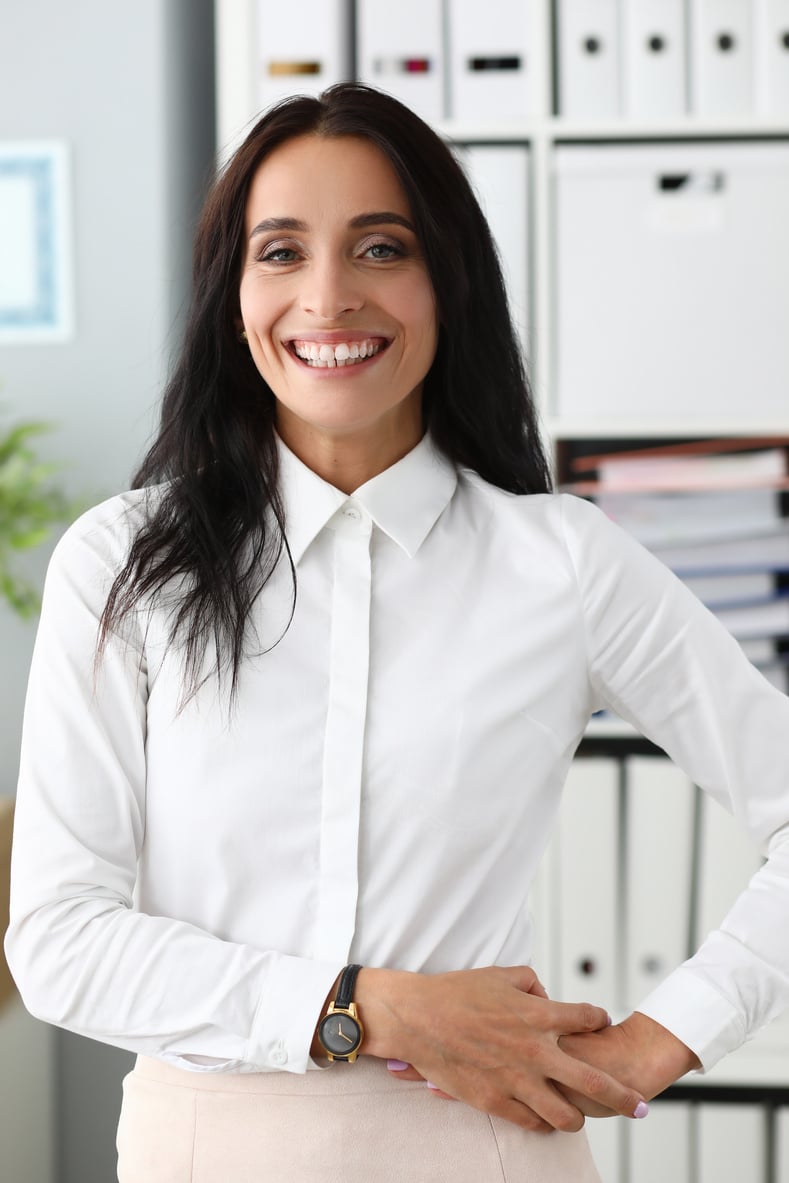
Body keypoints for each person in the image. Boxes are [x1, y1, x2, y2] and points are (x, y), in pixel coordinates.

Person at [5, 82, 789, 1183]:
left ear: (446, 282)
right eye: (281, 252)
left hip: (488, 1146)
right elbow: (59, 942)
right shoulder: (126, 563)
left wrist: (665, 1039)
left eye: (381, 248)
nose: (328, 297)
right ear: (232, 296)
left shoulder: (559, 561)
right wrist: (371, 1010)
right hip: (202, 1150)